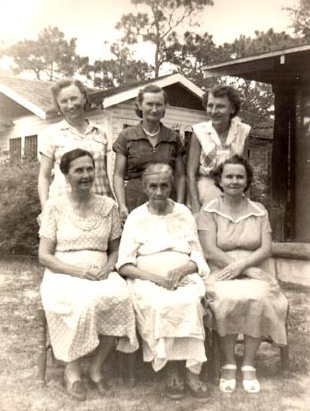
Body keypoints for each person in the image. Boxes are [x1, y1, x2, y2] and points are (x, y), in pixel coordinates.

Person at [38, 149, 138, 401]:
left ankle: (95, 368)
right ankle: (72, 370)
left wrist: (107, 268)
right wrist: (78, 271)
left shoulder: (108, 206)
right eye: (79, 170)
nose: (86, 175)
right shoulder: (54, 207)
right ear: (66, 175)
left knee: (121, 298)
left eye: (89, 169)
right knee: (81, 302)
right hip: (63, 271)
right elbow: (44, 256)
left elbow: (116, 250)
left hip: (100, 270)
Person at [117, 163, 209, 400]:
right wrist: (157, 279)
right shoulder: (137, 217)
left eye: (164, 186)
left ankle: (192, 371)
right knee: (160, 306)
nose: (159, 192)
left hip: (183, 278)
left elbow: (197, 254)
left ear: (171, 186)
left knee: (190, 303)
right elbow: (125, 264)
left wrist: (184, 269)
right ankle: (172, 371)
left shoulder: (184, 213)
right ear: (145, 187)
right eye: (153, 186)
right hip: (147, 281)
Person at [197, 155, 288, 394]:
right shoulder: (208, 211)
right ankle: (228, 361)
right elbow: (210, 250)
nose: (235, 181)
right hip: (221, 270)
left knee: (259, 298)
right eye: (229, 176)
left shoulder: (259, 211)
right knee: (225, 300)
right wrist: (238, 268)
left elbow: (266, 249)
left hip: (255, 270)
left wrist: (245, 267)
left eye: (240, 176)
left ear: (247, 180)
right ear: (220, 180)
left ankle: (248, 363)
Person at [113, 85, 186, 224]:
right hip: (135, 201)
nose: (154, 109)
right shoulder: (126, 136)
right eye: (149, 104)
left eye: (159, 104)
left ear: (164, 107)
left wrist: (180, 205)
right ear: (140, 105)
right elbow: (118, 175)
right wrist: (122, 205)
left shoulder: (173, 137)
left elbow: (180, 176)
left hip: (166, 200)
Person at [38, 78, 111, 215]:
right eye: (64, 101)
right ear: (58, 105)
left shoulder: (100, 132)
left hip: (99, 205)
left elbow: (103, 173)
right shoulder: (51, 133)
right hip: (64, 208)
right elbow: (44, 176)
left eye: (74, 98)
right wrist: (45, 210)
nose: (70, 105)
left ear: (83, 98)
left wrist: (112, 202)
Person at [187, 85, 251, 214]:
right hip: (205, 191)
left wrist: (247, 201)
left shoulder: (243, 131)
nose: (214, 111)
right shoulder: (199, 131)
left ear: (232, 108)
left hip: (234, 192)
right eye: (210, 105)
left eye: (220, 106)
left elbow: (246, 172)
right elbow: (190, 174)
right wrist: (195, 205)